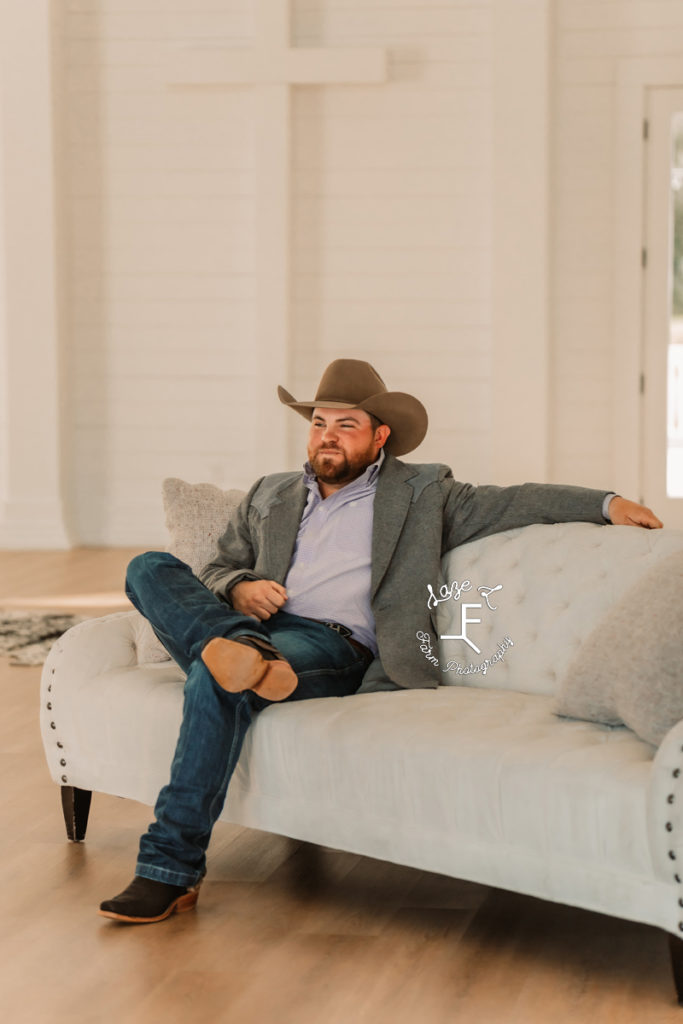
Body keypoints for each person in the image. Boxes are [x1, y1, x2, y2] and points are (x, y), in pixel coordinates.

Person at [99, 358, 663, 924]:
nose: (328, 437)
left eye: (346, 426)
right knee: (148, 566)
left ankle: (166, 871)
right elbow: (218, 568)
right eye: (320, 423)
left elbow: (516, 499)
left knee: (214, 678)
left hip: (331, 647)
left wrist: (607, 503)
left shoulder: (423, 493)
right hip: (259, 630)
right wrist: (240, 587)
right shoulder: (269, 492)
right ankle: (233, 644)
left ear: (379, 436)